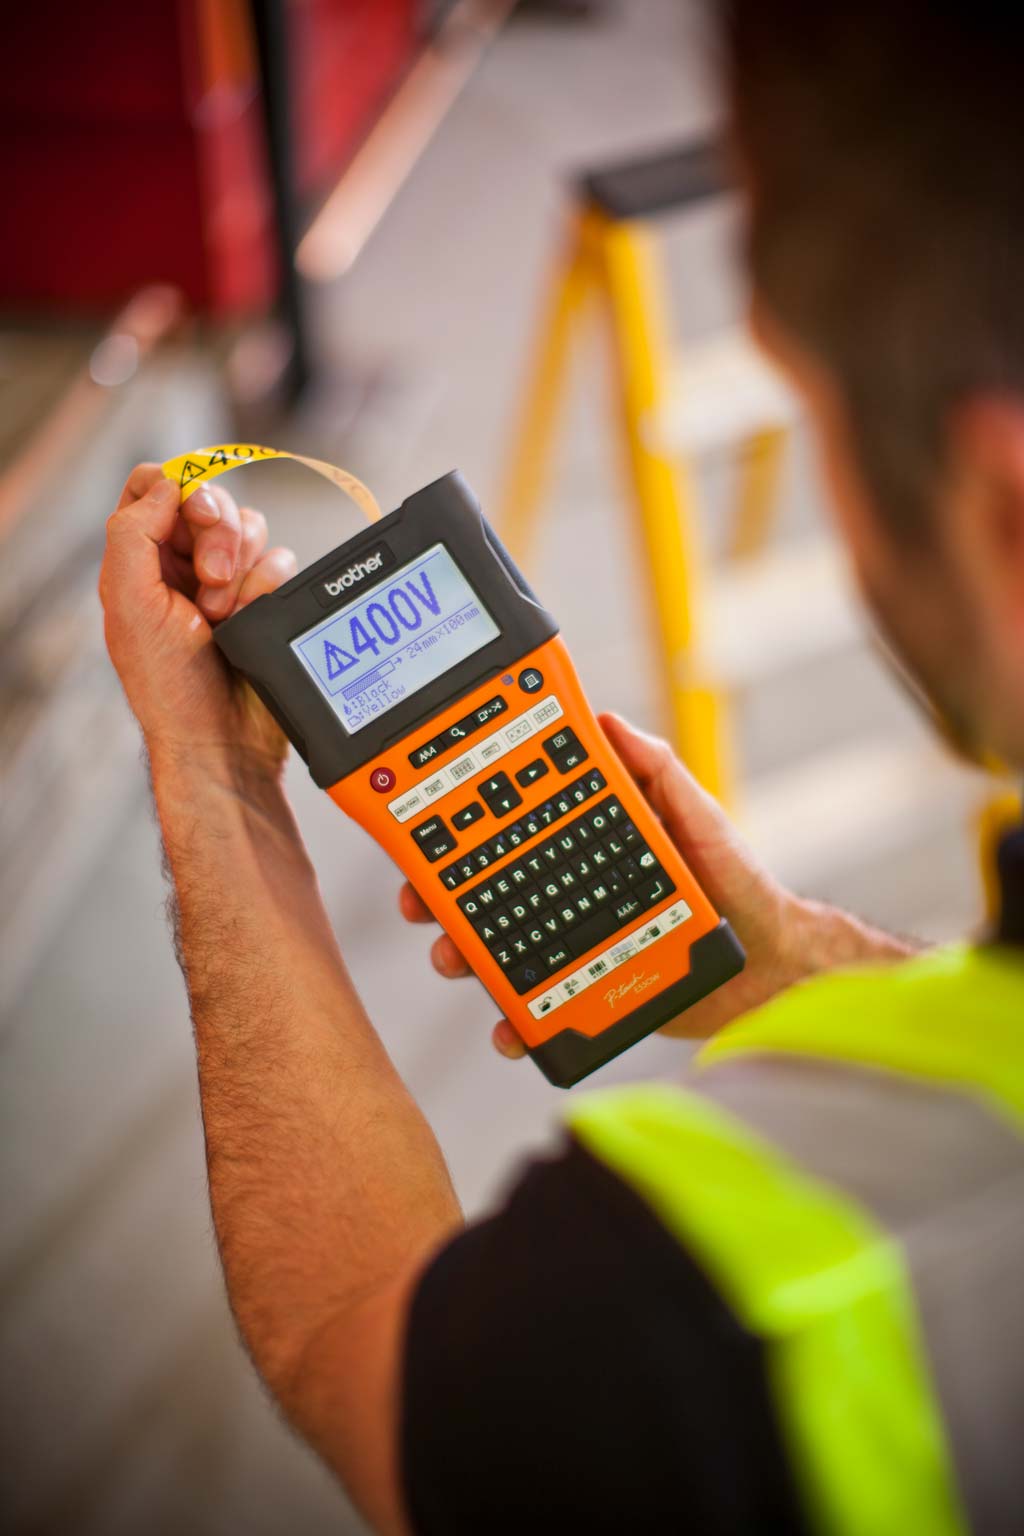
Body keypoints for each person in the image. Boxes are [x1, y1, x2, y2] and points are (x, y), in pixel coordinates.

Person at [100, 2, 1024, 1531]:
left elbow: (361, 1348)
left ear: (1002, 516)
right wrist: (798, 967)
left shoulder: (696, 1292)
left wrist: (217, 781)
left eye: (812, 405)